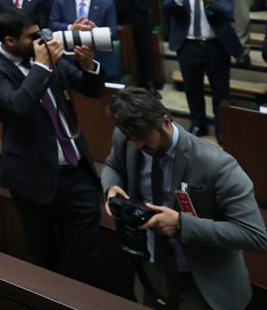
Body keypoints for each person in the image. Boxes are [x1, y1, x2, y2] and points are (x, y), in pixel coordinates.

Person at [102, 88, 267, 309]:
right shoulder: (127, 138)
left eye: (144, 139)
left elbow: (255, 236)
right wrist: (111, 187)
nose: (139, 146)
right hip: (149, 269)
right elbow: (113, 165)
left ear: (166, 122)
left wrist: (181, 225)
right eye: (134, 140)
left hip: (201, 280)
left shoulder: (217, 165)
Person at [0, 8, 104, 284]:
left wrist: (89, 66)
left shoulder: (46, 55)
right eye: (32, 36)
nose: (41, 39)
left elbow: (92, 89)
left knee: (86, 261)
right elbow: (17, 106)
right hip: (33, 179)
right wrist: (42, 66)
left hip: (77, 173)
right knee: (42, 261)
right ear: (11, 41)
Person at [162, 0, 242, 141]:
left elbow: (228, 12)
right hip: (188, 46)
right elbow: (165, 10)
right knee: (193, 89)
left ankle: (222, 127)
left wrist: (208, 0)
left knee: (220, 91)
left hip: (216, 46)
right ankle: (199, 123)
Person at [48, 0, 120, 78]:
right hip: (69, 56)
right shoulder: (60, 0)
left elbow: (114, 33)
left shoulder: (106, 4)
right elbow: (52, 25)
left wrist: (95, 30)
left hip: (97, 55)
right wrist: (71, 28)